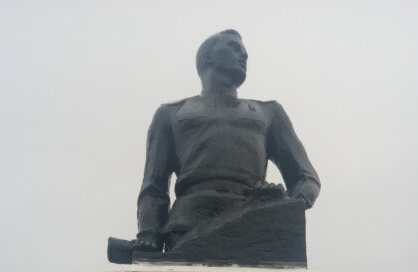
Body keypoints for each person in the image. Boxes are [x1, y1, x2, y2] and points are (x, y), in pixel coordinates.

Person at [133, 29, 320, 254]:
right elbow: (154, 186)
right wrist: (149, 233)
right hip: (188, 225)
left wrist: (283, 203)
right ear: (208, 57)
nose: (244, 55)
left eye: (244, 52)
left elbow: (306, 179)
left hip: (255, 220)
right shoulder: (170, 114)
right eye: (234, 48)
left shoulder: (269, 112)